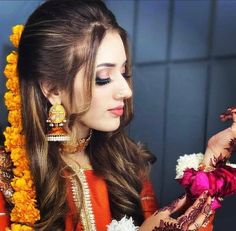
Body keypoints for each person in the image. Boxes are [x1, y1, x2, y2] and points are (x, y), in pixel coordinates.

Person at [0, 0, 226, 230]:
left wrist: (213, 161)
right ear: (52, 89)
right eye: (103, 78)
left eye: (124, 72)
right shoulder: (7, 176)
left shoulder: (125, 164)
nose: (126, 91)